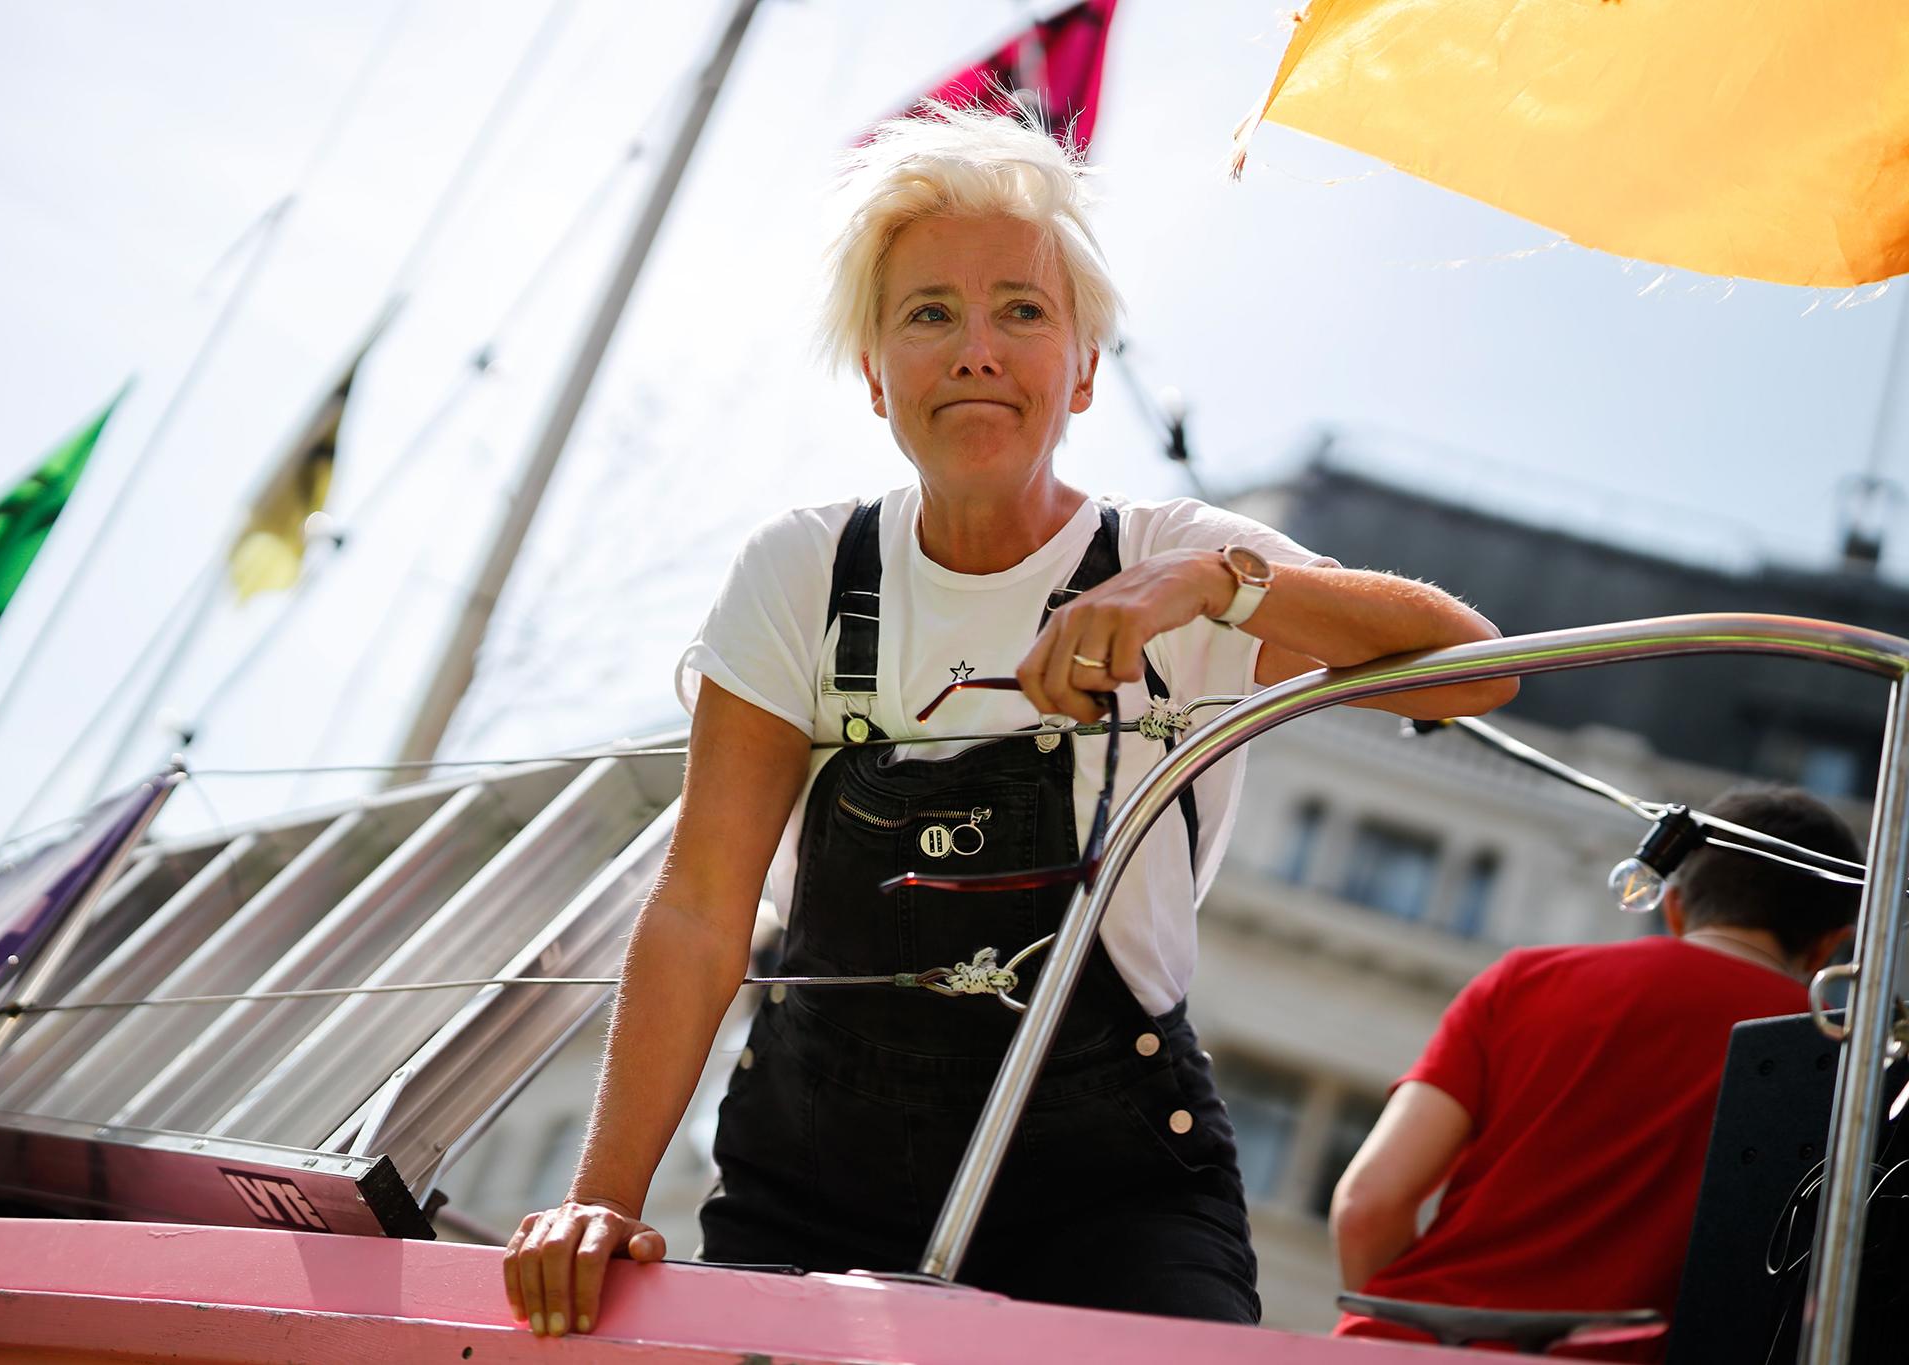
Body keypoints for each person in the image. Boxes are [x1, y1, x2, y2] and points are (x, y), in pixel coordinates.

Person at [502, 102, 1515, 1340]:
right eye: (929, 313)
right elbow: (703, 906)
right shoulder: (804, 573)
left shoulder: (1177, 556)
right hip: (809, 1179)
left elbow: (1475, 673)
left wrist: (1221, 588)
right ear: (875, 374)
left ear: (1083, 368)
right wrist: (599, 1201)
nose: (975, 348)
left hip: (1114, 1199)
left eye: (1021, 312)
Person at [1330, 786, 1862, 1356]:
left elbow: (1368, 1205)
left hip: (1407, 1345)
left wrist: (1410, 1338)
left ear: (1674, 904)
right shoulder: (1840, 1055)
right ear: (1832, 944)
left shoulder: (1523, 981)